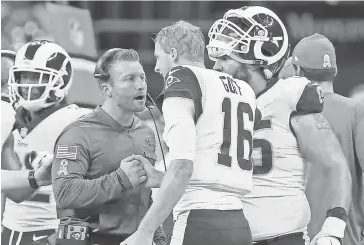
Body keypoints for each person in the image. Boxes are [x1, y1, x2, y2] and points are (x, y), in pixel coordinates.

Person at [207, 6, 352, 245]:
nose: (216, 67)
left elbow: (336, 166)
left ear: (254, 58)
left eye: (225, 58)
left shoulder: (289, 96)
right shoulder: (217, 102)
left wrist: (334, 227)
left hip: (283, 238)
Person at [122, 20, 256, 245]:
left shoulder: (182, 77)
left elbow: (183, 167)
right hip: (240, 224)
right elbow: (212, 173)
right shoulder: (244, 89)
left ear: (173, 54)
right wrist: (159, 178)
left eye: (158, 57)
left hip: (199, 223)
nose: (156, 68)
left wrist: (145, 231)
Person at [51, 48, 166, 245]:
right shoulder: (78, 133)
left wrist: (158, 238)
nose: (140, 85)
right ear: (106, 90)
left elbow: (143, 197)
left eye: (142, 77)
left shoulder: (146, 133)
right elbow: (64, 193)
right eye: (129, 79)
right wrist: (120, 179)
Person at [1, 40, 91, 245]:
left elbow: (92, 205)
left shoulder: (77, 123)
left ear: (60, 81)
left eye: (35, 77)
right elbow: (10, 194)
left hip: (50, 233)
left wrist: (58, 241)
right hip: (9, 232)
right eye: (23, 76)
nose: (27, 85)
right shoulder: (8, 118)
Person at [285, 33, 364, 245]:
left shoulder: (287, 111)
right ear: (334, 71)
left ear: (298, 70)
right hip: (342, 235)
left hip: (291, 235)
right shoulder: (356, 110)